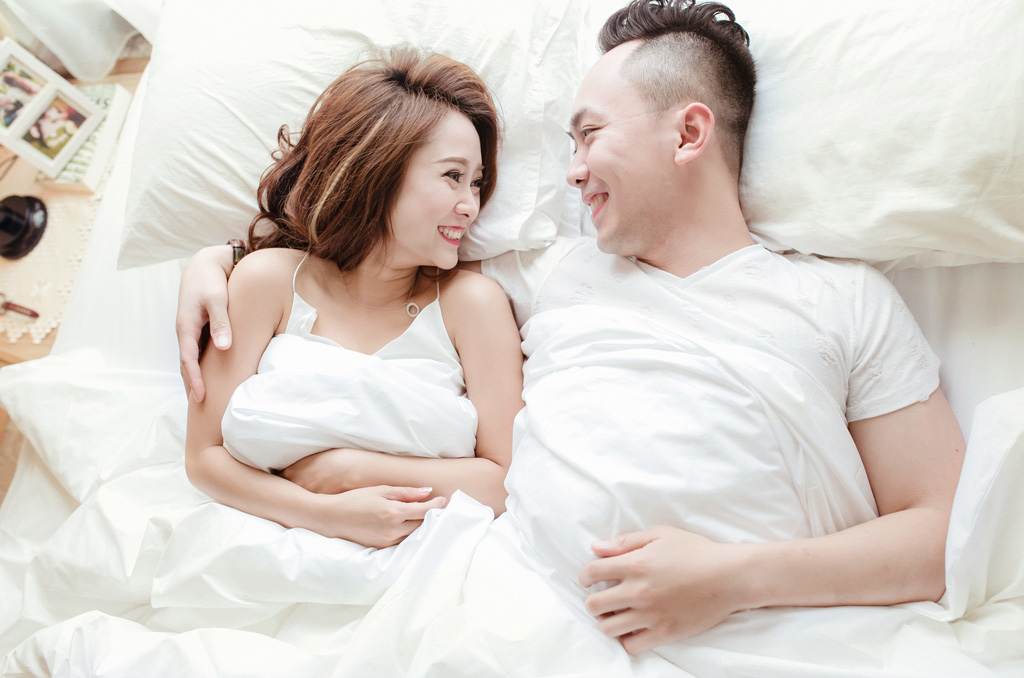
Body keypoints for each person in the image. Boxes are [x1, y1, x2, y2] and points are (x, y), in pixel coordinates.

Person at [176, 0, 965, 660]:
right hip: (521, 631)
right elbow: (368, 260)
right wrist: (212, 263)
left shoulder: (843, 300)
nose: (572, 170)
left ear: (688, 134)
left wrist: (734, 578)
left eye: (590, 135)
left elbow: (942, 535)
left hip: (777, 637)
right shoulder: (550, 276)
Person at [184, 46, 524, 550]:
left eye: (476, 183)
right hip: (267, 546)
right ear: (379, 169)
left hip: (427, 556)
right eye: (453, 176)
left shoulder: (472, 304)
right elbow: (204, 458)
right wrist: (323, 514)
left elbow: (506, 479)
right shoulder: (267, 281)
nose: (470, 205)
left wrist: (351, 471)